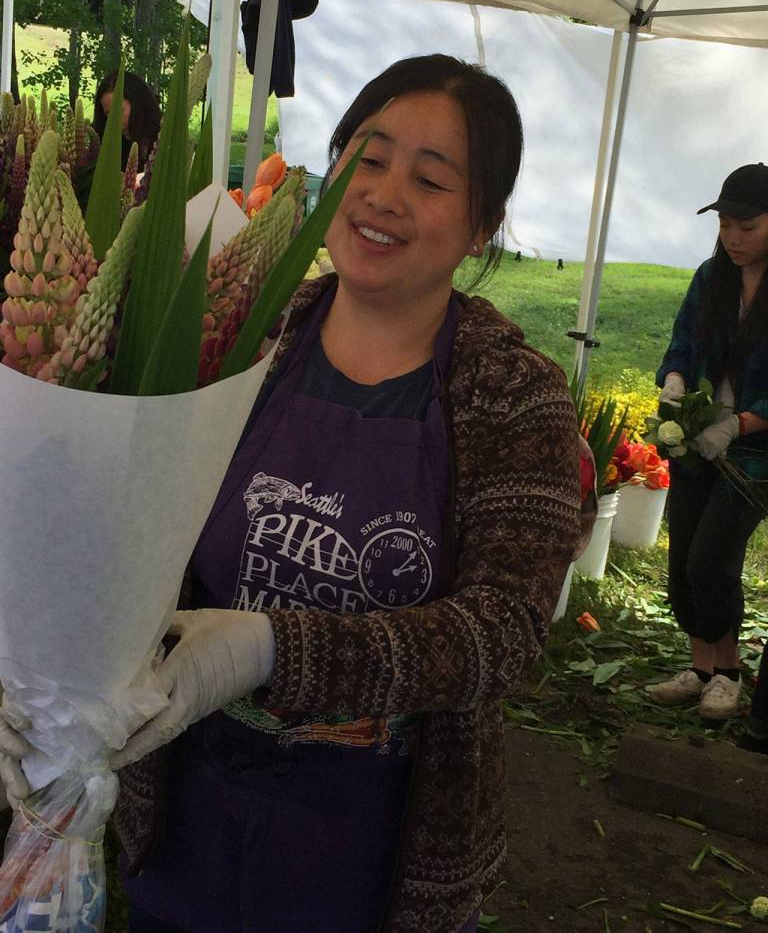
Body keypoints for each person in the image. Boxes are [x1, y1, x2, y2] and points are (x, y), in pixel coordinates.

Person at [0, 55, 581, 933]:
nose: (383, 194)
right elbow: (97, 528)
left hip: (372, 849)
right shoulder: (247, 341)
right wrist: (37, 680)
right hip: (188, 811)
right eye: (367, 156)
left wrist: (268, 649)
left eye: (429, 179)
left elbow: (505, 634)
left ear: (481, 226)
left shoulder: (512, 394)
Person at [648, 164, 768, 723]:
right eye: (724, 224)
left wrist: (742, 423)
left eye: (747, 225)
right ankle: (699, 669)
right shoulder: (709, 278)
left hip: (751, 456)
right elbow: (681, 343)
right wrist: (674, 382)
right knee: (682, 558)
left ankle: (728, 674)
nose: (733, 237)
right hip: (695, 442)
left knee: (711, 561)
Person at [93, 69, 162, 171]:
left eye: (119, 111)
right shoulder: (110, 153)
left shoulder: (165, 138)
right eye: (108, 115)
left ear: (138, 103)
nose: (115, 122)